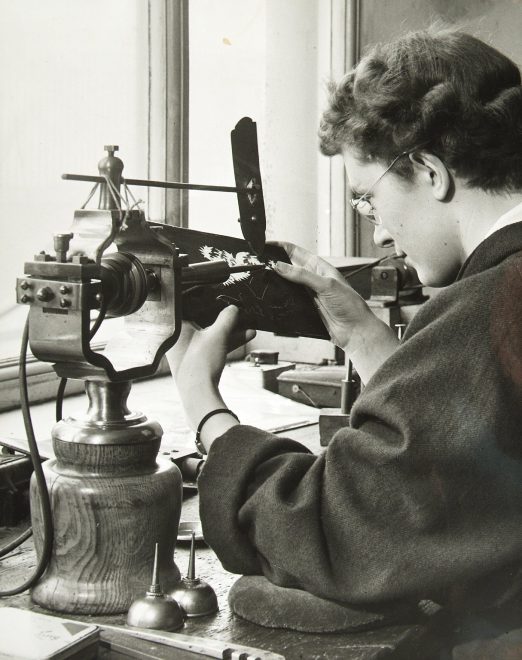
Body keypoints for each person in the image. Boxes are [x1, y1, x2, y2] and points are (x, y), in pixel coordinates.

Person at [167, 28, 522, 623]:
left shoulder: (491, 304)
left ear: (431, 172)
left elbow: (337, 532)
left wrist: (205, 409)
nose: (380, 233)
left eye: (369, 199)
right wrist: (362, 334)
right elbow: (467, 444)